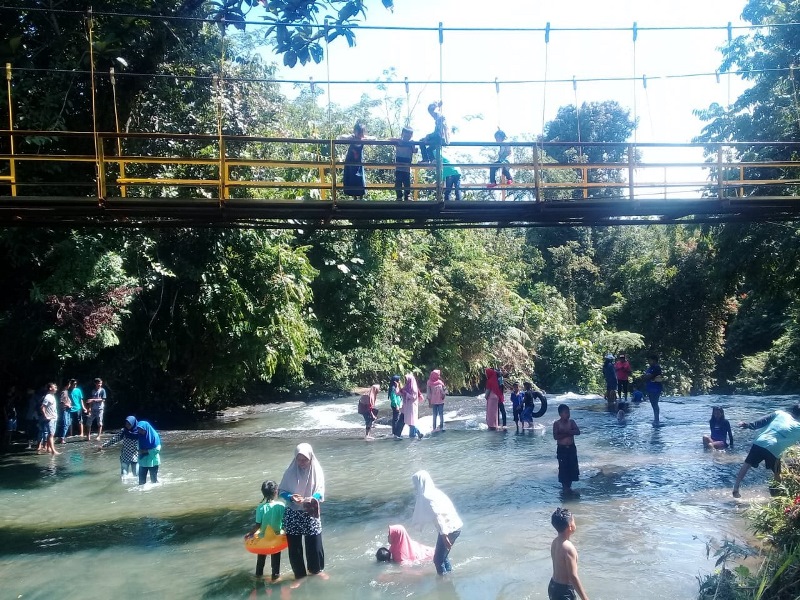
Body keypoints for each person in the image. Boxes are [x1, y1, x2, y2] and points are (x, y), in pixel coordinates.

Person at [278, 443, 326, 581]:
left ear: (310, 458)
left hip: (310, 511)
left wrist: (312, 498)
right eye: (299, 459)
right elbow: (282, 491)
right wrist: (291, 497)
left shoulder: (317, 470)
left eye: (305, 459)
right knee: (295, 547)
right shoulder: (290, 471)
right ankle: (299, 576)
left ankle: (316, 571)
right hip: (293, 512)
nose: (302, 463)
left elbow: (320, 490)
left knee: (314, 543)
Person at [731, 404, 800, 498]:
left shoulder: (780, 413)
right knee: (777, 473)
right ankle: (778, 495)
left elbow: (762, 421)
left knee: (747, 464)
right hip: (775, 449)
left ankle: (736, 487)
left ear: (792, 410)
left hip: (760, 442)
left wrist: (748, 425)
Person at [411, 470, 462, 576]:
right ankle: (449, 575)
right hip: (454, 527)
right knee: (443, 557)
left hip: (449, 530)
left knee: (437, 560)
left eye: (415, 483)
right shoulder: (435, 492)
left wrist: (444, 536)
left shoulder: (427, 497)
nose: (415, 487)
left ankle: (444, 582)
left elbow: (438, 515)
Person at [245, 480, 286, 581]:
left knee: (260, 560)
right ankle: (275, 578)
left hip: (263, 539)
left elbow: (258, 526)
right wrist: (286, 534)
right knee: (276, 560)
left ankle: (258, 577)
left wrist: (249, 534)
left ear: (263, 492)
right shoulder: (281, 506)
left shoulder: (260, 507)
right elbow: (285, 524)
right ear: (276, 492)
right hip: (276, 539)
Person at [549, 507, 590, 600]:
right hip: (564, 591)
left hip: (553, 586)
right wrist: (585, 598)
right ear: (570, 526)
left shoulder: (555, 542)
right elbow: (573, 577)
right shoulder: (569, 548)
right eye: (574, 521)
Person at [553, 404, 580, 496]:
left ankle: (568, 487)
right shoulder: (557, 424)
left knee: (572, 467)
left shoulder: (571, 422)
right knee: (563, 468)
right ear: (560, 414)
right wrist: (567, 433)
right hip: (562, 449)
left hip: (571, 448)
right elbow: (555, 436)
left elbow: (578, 431)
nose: (568, 414)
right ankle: (565, 488)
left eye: (568, 412)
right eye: (566, 412)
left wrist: (569, 432)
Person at [340, 121, 371, 199]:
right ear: (355, 131)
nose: (360, 134)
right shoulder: (351, 138)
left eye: (361, 132)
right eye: (358, 132)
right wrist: (350, 137)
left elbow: (375, 139)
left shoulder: (363, 139)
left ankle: (361, 197)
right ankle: (354, 197)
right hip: (350, 162)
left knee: (360, 178)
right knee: (351, 178)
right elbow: (340, 137)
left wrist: (365, 138)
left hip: (359, 162)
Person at [392, 126, 416, 201]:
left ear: (411, 136)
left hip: (407, 168)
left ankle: (407, 196)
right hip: (398, 167)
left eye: (409, 135)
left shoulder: (411, 144)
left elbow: (415, 151)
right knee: (398, 182)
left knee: (407, 183)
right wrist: (398, 140)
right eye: (405, 135)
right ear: (402, 134)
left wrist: (412, 145)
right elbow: (390, 139)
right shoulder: (398, 142)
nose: (407, 137)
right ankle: (399, 196)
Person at [135, 420, 161, 484]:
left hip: (153, 460)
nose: (140, 431)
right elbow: (137, 446)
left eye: (142, 430)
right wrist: (137, 450)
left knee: (154, 481)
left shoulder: (154, 436)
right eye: (139, 430)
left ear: (146, 429)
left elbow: (157, 449)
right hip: (142, 460)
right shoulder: (139, 436)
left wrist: (145, 451)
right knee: (141, 482)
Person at [641, 354, 664, 425]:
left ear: (654, 360)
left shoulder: (656, 368)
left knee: (655, 403)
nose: (649, 361)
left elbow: (648, 376)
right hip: (650, 387)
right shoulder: (650, 368)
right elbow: (646, 376)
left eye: (650, 360)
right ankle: (656, 419)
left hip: (656, 388)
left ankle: (657, 420)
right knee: (653, 404)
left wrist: (645, 377)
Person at [401, 374, 424, 440]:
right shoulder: (406, 387)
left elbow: (413, 397)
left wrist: (406, 393)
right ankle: (416, 434)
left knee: (411, 422)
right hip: (408, 406)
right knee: (409, 422)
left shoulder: (413, 388)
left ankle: (413, 435)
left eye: (407, 379)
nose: (406, 380)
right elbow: (400, 393)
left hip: (412, 406)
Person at [39, 382, 59, 455]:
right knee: (51, 434)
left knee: (50, 434)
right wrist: (45, 416)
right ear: (50, 388)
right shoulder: (48, 397)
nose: (56, 389)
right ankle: (53, 451)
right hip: (50, 419)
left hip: (53, 418)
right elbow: (42, 407)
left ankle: (48, 448)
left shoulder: (52, 396)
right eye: (55, 387)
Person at [389, 375, 403, 439]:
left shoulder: (395, 387)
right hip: (395, 405)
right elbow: (393, 397)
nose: (399, 381)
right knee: (395, 419)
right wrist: (397, 405)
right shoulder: (393, 388)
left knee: (396, 418)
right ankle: (395, 433)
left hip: (396, 405)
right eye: (398, 380)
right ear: (395, 381)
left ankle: (394, 432)